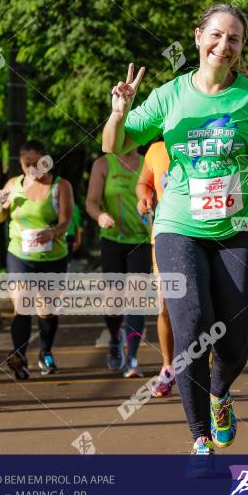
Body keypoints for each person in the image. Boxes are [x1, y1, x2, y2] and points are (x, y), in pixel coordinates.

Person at [102, 4, 248, 455]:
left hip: (237, 231)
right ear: (198, 37)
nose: (222, 45)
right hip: (179, 227)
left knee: (233, 345)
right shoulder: (170, 96)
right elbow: (113, 145)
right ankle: (199, 438)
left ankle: (220, 393)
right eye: (215, 35)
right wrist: (120, 111)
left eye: (233, 39)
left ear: (240, 47)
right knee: (190, 324)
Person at [0, 140, 73, 379]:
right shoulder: (13, 186)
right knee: (22, 306)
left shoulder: (60, 186)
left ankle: (45, 352)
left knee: (46, 310)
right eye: (27, 164)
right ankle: (20, 357)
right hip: (19, 254)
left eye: (36, 164)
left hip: (52, 256)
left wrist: (53, 232)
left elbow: (66, 220)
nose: (32, 169)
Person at [86, 149, 152, 378]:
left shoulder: (147, 162)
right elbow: (91, 202)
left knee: (136, 300)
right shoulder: (104, 165)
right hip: (112, 240)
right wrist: (100, 216)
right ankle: (115, 338)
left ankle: (132, 357)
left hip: (141, 241)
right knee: (113, 302)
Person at [136, 140, 175, 396]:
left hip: (207, 236)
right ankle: (168, 368)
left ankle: (207, 371)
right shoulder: (156, 149)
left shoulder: (208, 141)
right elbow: (144, 183)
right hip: (164, 235)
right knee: (165, 305)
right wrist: (144, 198)